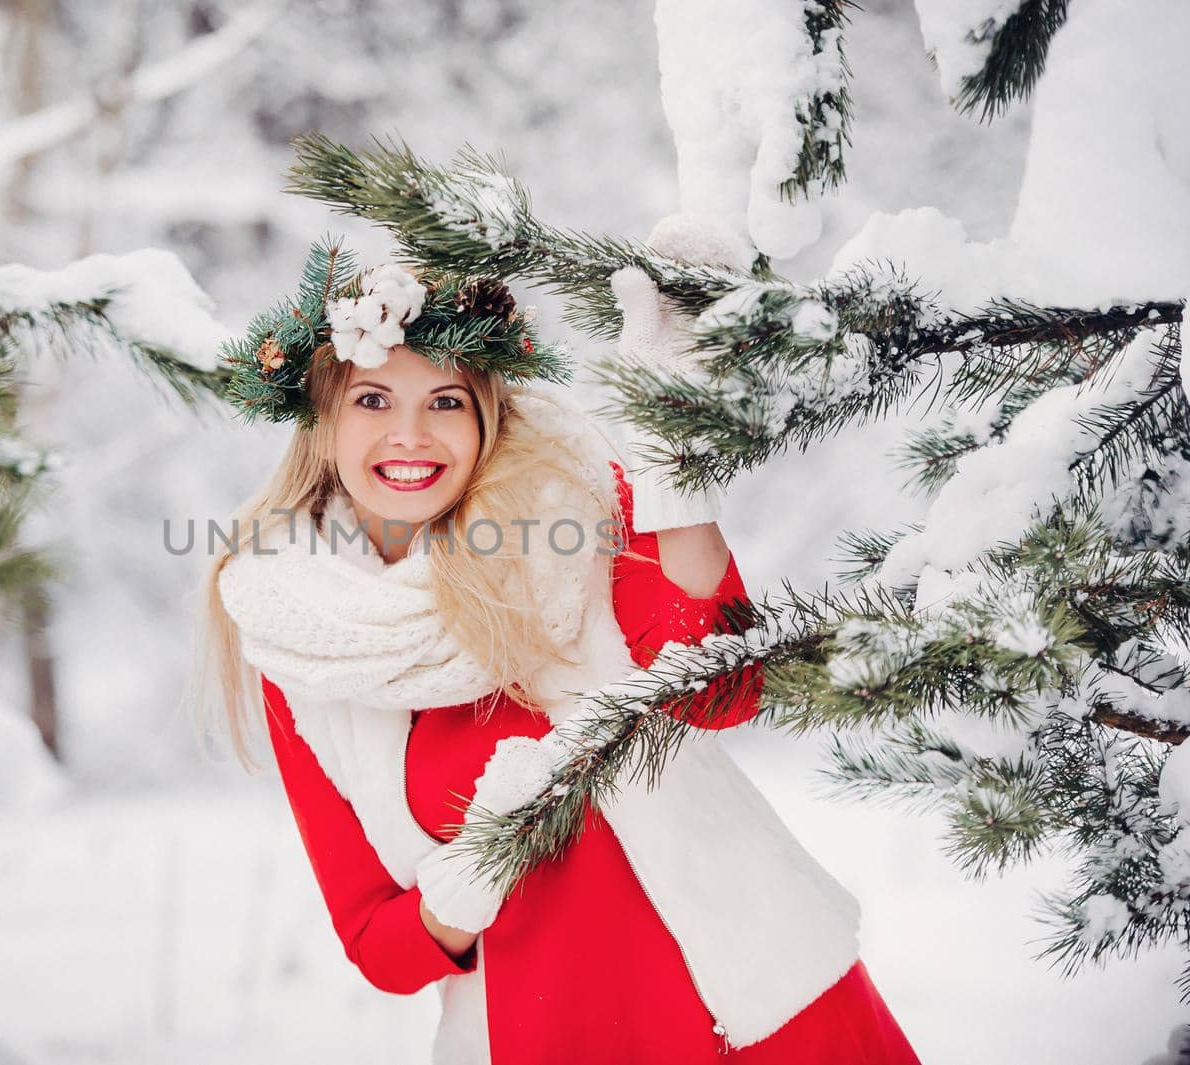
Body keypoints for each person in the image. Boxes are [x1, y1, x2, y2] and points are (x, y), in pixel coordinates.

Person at [188, 219, 922, 1064]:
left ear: (485, 412)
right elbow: (375, 942)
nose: (411, 436)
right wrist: (462, 889)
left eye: (446, 400)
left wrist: (675, 454)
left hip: (756, 1004)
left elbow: (722, 689)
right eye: (373, 399)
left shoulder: (565, 512)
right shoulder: (300, 637)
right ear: (322, 417)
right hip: (547, 1034)